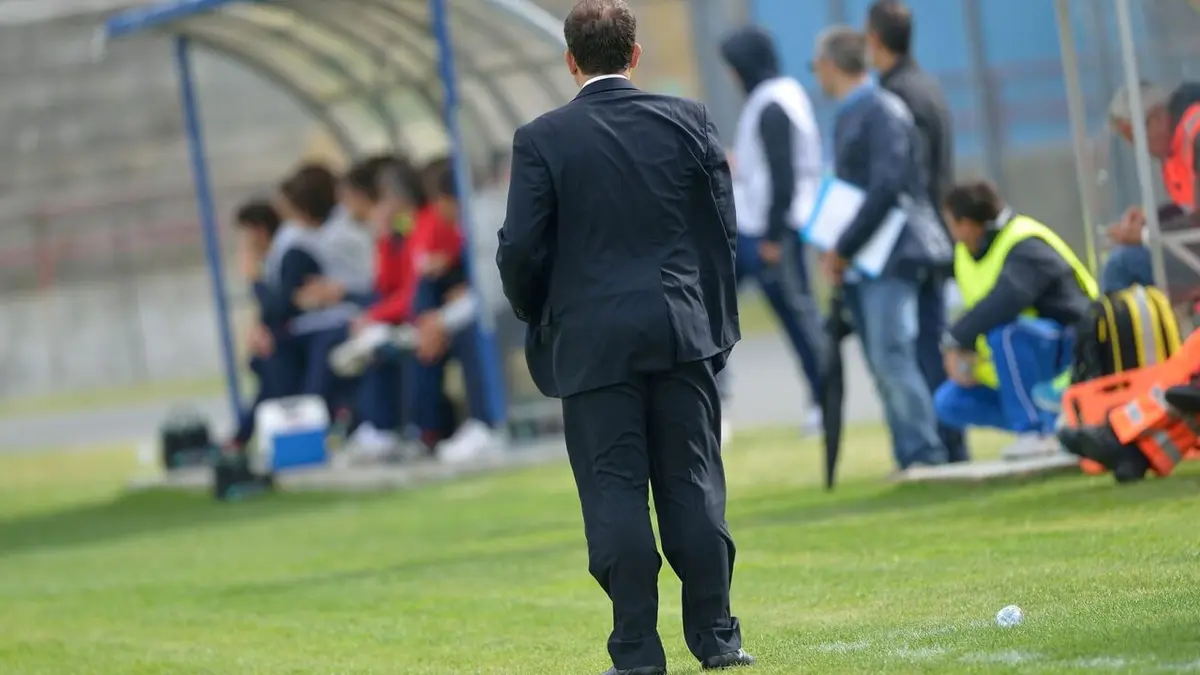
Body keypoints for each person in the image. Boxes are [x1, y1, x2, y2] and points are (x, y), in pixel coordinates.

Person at [495, 2, 750, 673]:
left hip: (590, 342)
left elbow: (520, 248)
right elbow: (722, 229)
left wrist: (538, 313)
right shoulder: (689, 119)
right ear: (634, 55)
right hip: (679, 329)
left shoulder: (542, 139)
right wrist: (710, 320)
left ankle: (637, 650)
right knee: (693, 482)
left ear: (570, 60)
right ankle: (718, 636)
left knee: (614, 491)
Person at [811, 26, 952, 473]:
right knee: (884, 360)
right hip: (866, 259)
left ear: (831, 65)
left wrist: (844, 246)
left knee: (893, 357)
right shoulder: (853, 113)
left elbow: (887, 187)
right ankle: (912, 453)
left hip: (891, 256)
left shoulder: (880, 110)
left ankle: (923, 455)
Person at [865, 0, 968, 463]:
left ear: (875, 40)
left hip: (913, 238)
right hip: (939, 232)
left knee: (916, 350)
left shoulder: (896, 95)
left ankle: (938, 448)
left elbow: (906, 176)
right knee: (932, 344)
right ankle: (951, 444)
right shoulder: (928, 85)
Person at [933, 181, 1098, 453]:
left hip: (1072, 345)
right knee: (949, 402)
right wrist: (967, 355)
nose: (950, 232)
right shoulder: (965, 254)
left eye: (951, 223)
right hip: (1017, 361)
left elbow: (1007, 299)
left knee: (1007, 334)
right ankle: (1056, 424)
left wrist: (955, 340)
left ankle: (1035, 433)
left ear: (967, 224)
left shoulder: (1025, 243)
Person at [718, 25, 825, 436]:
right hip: (763, 227)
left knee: (798, 319)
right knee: (719, 311)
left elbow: (784, 177)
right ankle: (819, 398)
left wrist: (773, 238)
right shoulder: (781, 96)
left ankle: (823, 399)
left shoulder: (772, 104)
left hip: (767, 231)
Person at [1100, 80, 1200, 293]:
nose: (1141, 150)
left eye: (1137, 139)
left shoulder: (1196, 134)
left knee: (1122, 266)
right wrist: (1152, 218)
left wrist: (1146, 234)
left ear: (1155, 119)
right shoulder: (1175, 147)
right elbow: (1189, 209)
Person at [226, 200, 289, 451]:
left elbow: (280, 305)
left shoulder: (284, 254)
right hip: (280, 336)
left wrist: (253, 277)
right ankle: (241, 436)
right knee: (262, 365)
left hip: (294, 335)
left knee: (270, 367)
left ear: (260, 231)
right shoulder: (271, 260)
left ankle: (241, 437)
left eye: (245, 236)